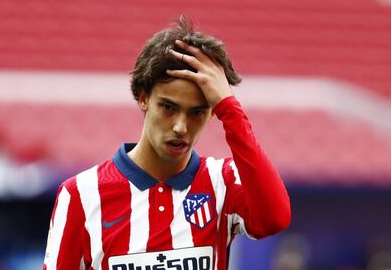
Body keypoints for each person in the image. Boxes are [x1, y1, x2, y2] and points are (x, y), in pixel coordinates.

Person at [42, 15, 291, 270]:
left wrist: (229, 107)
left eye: (197, 112)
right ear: (142, 97)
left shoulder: (222, 182)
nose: (180, 127)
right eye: (168, 107)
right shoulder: (81, 195)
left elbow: (274, 219)